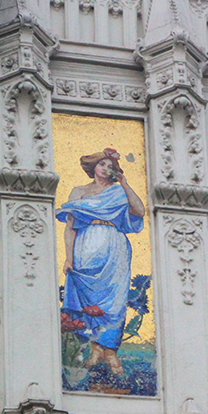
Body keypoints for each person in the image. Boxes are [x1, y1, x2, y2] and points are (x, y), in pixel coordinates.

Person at [57, 148, 145, 377]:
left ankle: (110, 350)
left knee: (115, 300)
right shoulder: (79, 192)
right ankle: (95, 348)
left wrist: (125, 184)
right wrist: (68, 258)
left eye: (110, 166)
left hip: (115, 247)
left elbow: (139, 210)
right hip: (86, 246)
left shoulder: (118, 191)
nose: (106, 169)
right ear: (93, 166)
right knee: (90, 298)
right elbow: (69, 227)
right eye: (102, 164)